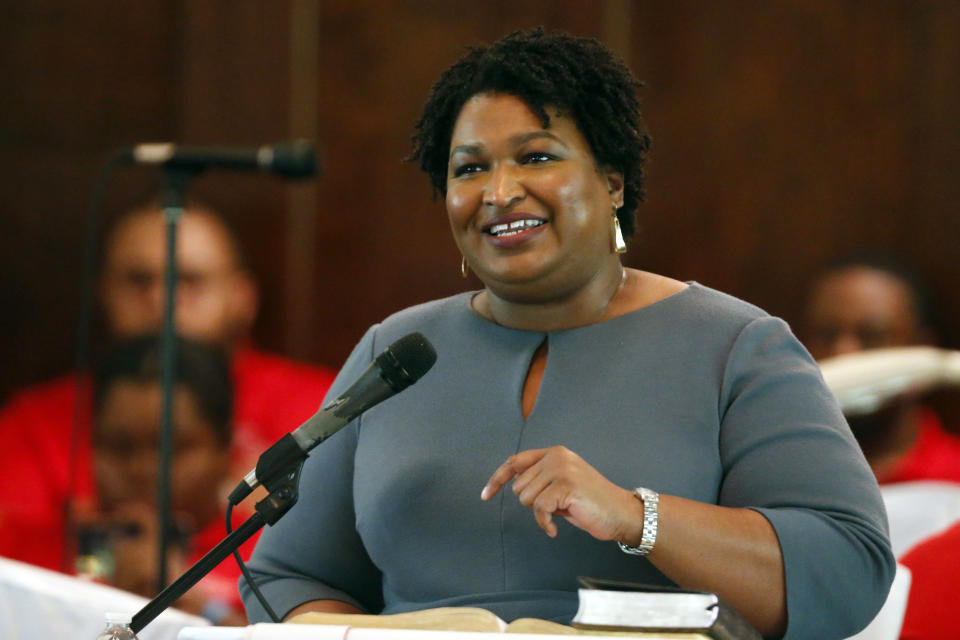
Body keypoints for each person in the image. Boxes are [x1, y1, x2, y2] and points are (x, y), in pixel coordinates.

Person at [241, 29, 894, 640]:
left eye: (536, 157)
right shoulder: (397, 352)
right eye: (469, 169)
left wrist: (635, 516)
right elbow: (288, 574)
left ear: (612, 183)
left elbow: (847, 569)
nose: (499, 192)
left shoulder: (738, 347)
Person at [0, 202, 337, 572]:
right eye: (139, 280)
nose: (161, 301)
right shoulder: (32, 422)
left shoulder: (324, 406)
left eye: (190, 280)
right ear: (103, 291)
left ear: (243, 296)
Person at [76, 334, 249, 624]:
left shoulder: (266, 553)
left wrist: (195, 604)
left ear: (225, 450)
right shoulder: (30, 550)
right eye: (119, 448)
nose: (143, 470)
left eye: (171, 448)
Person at [802, 257, 960, 484]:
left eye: (873, 337)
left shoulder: (953, 482)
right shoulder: (769, 475)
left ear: (921, 348)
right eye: (826, 335)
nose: (843, 354)